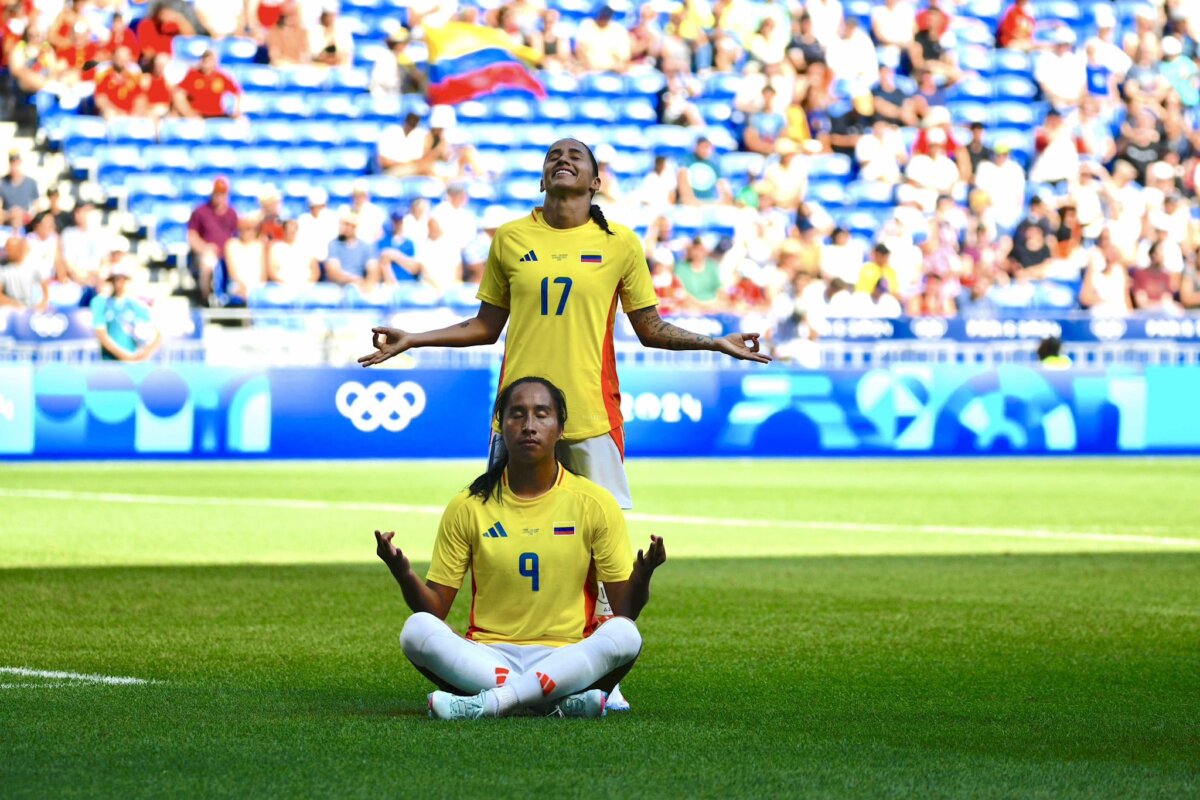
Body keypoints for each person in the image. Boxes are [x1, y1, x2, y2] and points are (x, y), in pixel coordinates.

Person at [358, 138, 768, 711]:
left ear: (596, 181)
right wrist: (415, 339)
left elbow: (649, 327)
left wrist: (713, 342)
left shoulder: (619, 242)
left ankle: (591, 681)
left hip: (594, 417)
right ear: (542, 175)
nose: (563, 159)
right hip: (518, 418)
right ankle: (532, 670)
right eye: (553, 154)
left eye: (576, 155)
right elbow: (485, 326)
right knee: (502, 533)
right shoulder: (510, 238)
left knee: (602, 562)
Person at [376, 377, 665, 720]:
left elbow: (624, 610)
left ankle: (494, 702)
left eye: (542, 415)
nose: (529, 426)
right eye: (517, 415)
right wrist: (403, 574)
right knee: (416, 630)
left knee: (625, 635)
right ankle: (552, 701)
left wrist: (643, 576)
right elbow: (435, 609)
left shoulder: (594, 503)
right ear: (500, 425)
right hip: (488, 659)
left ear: (560, 428)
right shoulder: (468, 505)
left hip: (566, 655)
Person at [90, 265, 161, 361]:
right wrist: (126, 356)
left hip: (130, 365)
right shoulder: (100, 302)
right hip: (109, 362)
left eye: (123, 279)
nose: (119, 283)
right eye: (116, 279)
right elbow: (101, 335)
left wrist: (145, 354)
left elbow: (159, 332)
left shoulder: (135, 305)